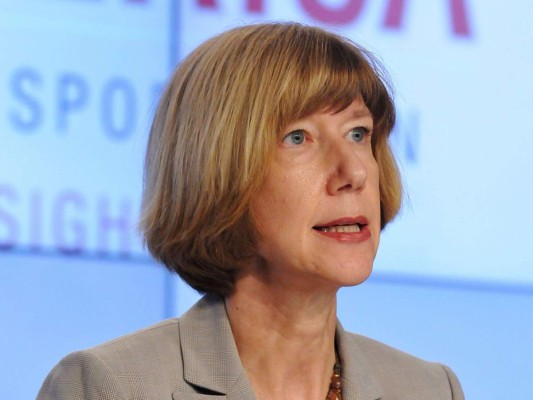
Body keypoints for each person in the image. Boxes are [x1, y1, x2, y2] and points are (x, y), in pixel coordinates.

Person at [37, 23, 464, 400]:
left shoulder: (429, 389)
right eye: (298, 137)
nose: (353, 171)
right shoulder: (109, 386)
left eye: (358, 133)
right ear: (218, 171)